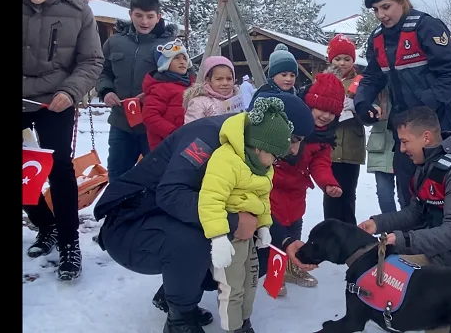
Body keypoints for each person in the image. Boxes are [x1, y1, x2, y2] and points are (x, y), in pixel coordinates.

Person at [93, 92, 315, 333]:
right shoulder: (207, 139)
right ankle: (180, 320)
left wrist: (286, 240)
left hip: (167, 220)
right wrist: (232, 221)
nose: (294, 150)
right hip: (129, 226)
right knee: (197, 237)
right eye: (294, 138)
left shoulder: (252, 144)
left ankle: (174, 293)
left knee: (259, 248)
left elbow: (251, 204)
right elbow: (170, 194)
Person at [357, 106, 451, 280]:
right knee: (382, 276)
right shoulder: (428, 165)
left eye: (405, 141)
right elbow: (416, 212)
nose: (401, 149)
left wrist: (405, 240)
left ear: (426, 137)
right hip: (445, 253)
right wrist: (378, 224)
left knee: (422, 299)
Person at [22, 0, 104, 281]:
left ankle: (70, 242)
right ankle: (46, 225)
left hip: (55, 100)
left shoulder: (77, 10)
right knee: (22, 172)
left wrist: (70, 92)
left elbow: (91, 60)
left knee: (60, 169)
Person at [354, 0, 451, 209]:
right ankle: (411, 244)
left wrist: (424, 106)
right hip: (404, 134)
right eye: (375, 10)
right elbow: (372, 77)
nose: (381, 15)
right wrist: (362, 102)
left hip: (439, 129)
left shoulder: (426, 27)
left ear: (401, 0)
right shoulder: (377, 39)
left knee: (444, 200)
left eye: (386, 6)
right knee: (409, 199)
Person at [198, 97, 294, 333]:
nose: (276, 162)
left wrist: (264, 226)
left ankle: (245, 320)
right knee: (232, 286)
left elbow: (263, 198)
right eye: (274, 155)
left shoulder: (263, 167)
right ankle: (234, 327)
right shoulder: (226, 160)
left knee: (251, 280)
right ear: (259, 146)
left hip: (248, 234)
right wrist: (219, 237)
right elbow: (211, 199)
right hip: (230, 234)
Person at [263, 73, 345, 293]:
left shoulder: (325, 137)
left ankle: (291, 267)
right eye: (321, 109)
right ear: (309, 104)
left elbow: (320, 164)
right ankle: (274, 278)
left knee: (295, 228)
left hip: (297, 191)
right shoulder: (291, 123)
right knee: (276, 235)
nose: (326, 116)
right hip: (273, 187)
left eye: (332, 112)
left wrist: (328, 183)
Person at [97, 0, 178, 181]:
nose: (144, 22)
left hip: (154, 124)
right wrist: (106, 91)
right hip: (121, 122)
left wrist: (154, 93)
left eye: (150, 17)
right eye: (139, 15)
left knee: (156, 177)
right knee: (117, 175)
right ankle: (116, 211)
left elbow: (183, 79)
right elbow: (103, 71)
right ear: (130, 14)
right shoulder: (115, 43)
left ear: (159, 16)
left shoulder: (170, 46)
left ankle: (150, 211)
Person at [322, 34, 366, 224]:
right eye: (338, 59)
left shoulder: (361, 83)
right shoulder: (324, 81)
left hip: (351, 147)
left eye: (347, 59)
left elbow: (370, 114)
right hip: (328, 146)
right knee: (330, 194)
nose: (342, 63)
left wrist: (358, 108)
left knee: (348, 194)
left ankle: (349, 237)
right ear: (330, 59)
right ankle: (329, 234)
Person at [142, 39, 196, 150]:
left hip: (188, 142)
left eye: (185, 58)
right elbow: (150, 116)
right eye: (176, 58)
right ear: (165, 63)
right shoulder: (160, 87)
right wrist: (173, 133)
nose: (182, 62)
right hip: (166, 145)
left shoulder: (193, 86)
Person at [366, 87, 400, 213]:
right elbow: (365, 118)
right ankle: (390, 229)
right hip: (381, 145)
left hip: (405, 145)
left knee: (407, 195)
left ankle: (409, 230)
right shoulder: (376, 85)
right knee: (384, 193)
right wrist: (371, 109)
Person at [183, 56, 246, 123]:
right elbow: (192, 129)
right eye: (219, 79)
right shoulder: (199, 103)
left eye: (229, 79)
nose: (225, 83)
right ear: (208, 80)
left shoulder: (237, 100)